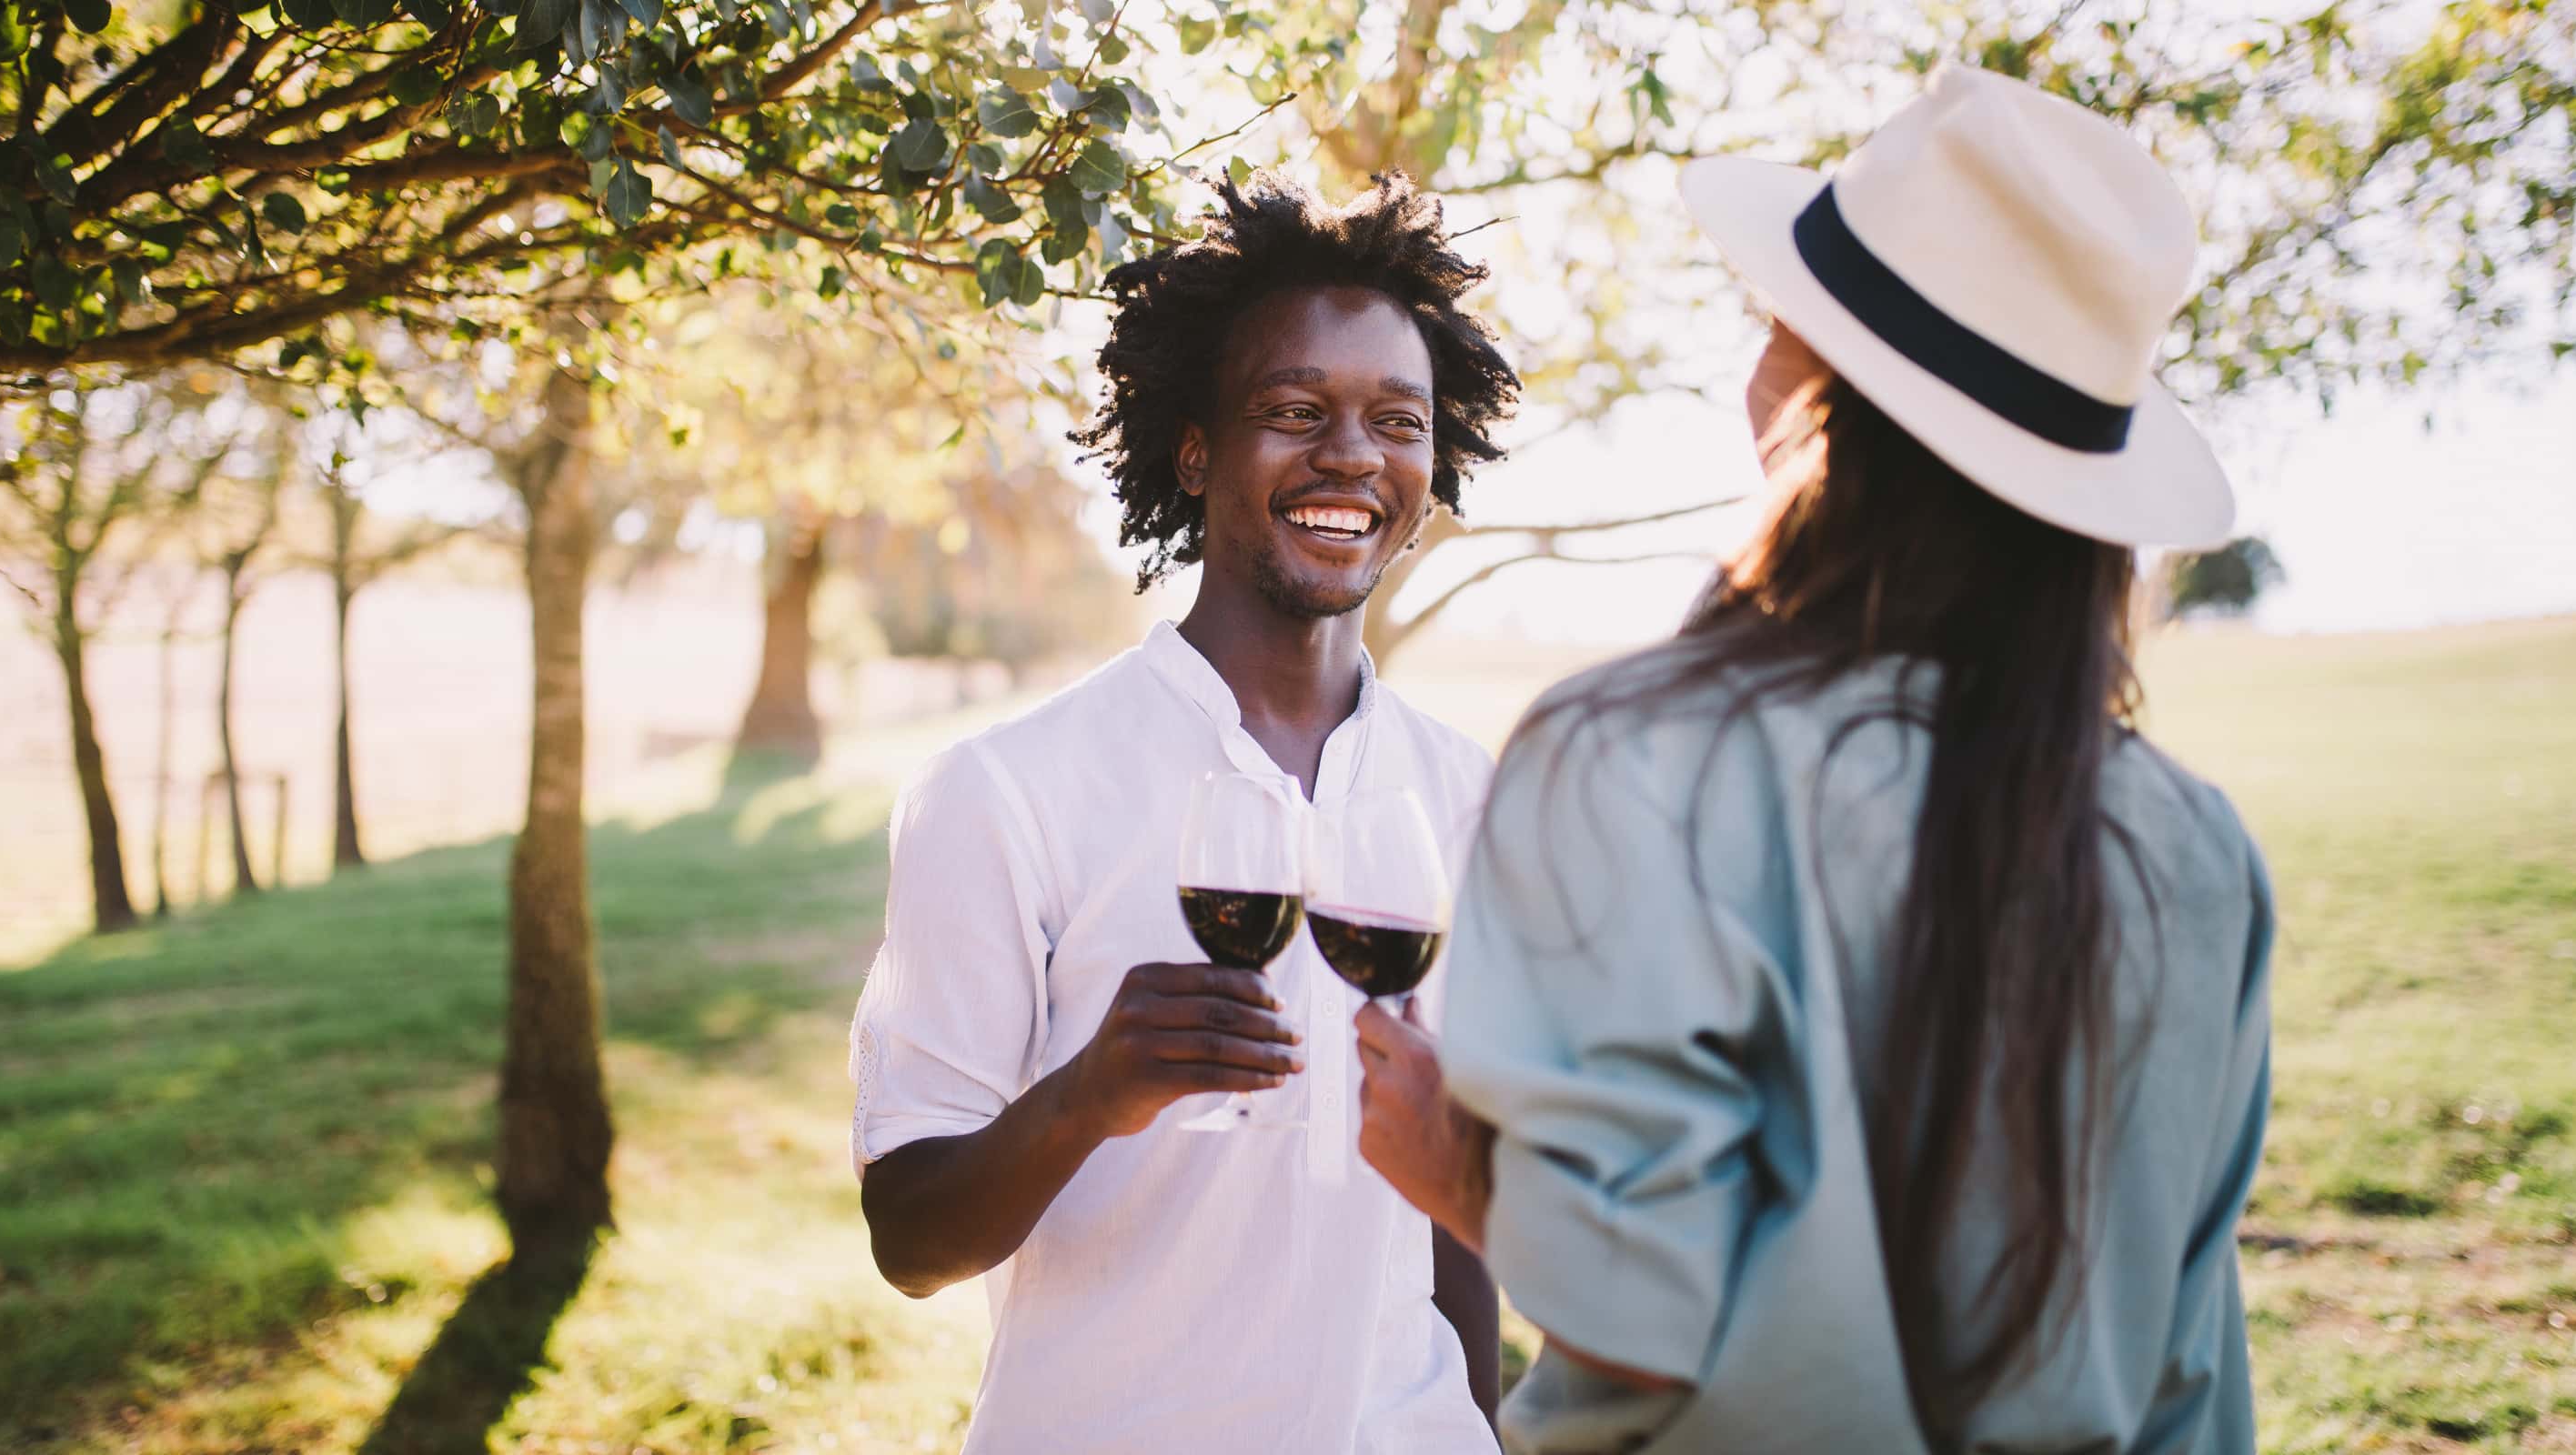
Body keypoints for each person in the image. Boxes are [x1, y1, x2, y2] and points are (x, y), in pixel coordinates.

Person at [1353, 65, 2276, 1453]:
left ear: (1808, 394)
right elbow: (2193, 1382)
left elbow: (1646, 1327)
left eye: (1774, 320)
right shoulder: (2195, 852)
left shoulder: (1632, 762)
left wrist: (1461, 1175)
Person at [849, 171, 1519, 1453]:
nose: (1352, 454)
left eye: (1399, 420)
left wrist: (1478, 1429)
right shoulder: (1003, 792)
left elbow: (1446, 1208)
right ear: (1198, 450)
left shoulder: (1467, 795)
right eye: (1292, 410)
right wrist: (1088, 1093)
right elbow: (912, 1243)